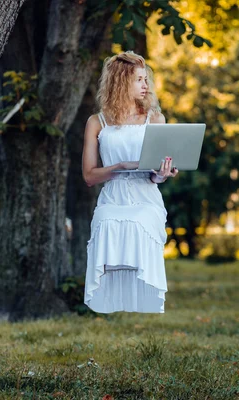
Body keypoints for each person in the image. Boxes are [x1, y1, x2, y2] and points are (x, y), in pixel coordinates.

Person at [82, 51, 178, 314]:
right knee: (104, 220)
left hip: (145, 195)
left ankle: (143, 287)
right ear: (121, 82)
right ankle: (107, 291)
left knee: (141, 220)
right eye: (139, 80)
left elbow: (155, 177)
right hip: (113, 196)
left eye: (146, 79)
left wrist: (162, 173)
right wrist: (119, 167)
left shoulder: (155, 119)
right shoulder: (96, 122)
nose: (146, 85)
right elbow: (90, 176)